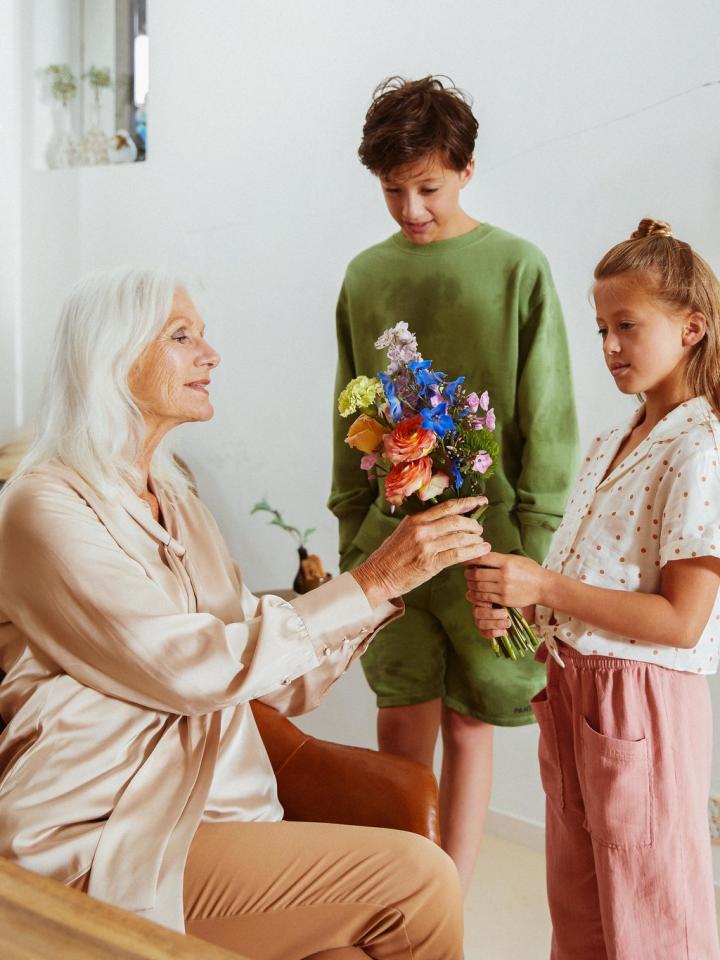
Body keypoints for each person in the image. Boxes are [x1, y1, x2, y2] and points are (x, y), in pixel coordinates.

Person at [0, 267, 491, 960]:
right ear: (113, 358)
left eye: (202, 335)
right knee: (419, 880)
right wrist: (370, 578)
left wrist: (383, 588)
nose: (211, 354)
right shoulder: (42, 507)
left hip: (218, 816)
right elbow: (191, 668)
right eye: (182, 337)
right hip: (104, 831)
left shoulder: (178, 504)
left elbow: (275, 682)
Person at [329, 75, 579, 891]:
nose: (409, 209)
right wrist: (352, 546)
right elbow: (348, 420)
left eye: (427, 187)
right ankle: (395, 900)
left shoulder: (517, 268)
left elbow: (546, 426)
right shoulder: (365, 276)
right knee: (399, 717)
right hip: (388, 545)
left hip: (489, 545)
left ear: (466, 169)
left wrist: (530, 559)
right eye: (391, 190)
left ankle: (447, 910)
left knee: (474, 725)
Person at [466, 219, 720, 958]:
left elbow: (681, 621)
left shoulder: (701, 450)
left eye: (627, 326)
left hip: (641, 701)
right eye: (601, 327)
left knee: (650, 917)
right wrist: (525, 601)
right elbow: (587, 580)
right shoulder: (615, 440)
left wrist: (543, 583)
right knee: (581, 910)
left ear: (692, 328)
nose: (608, 346)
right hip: (577, 688)